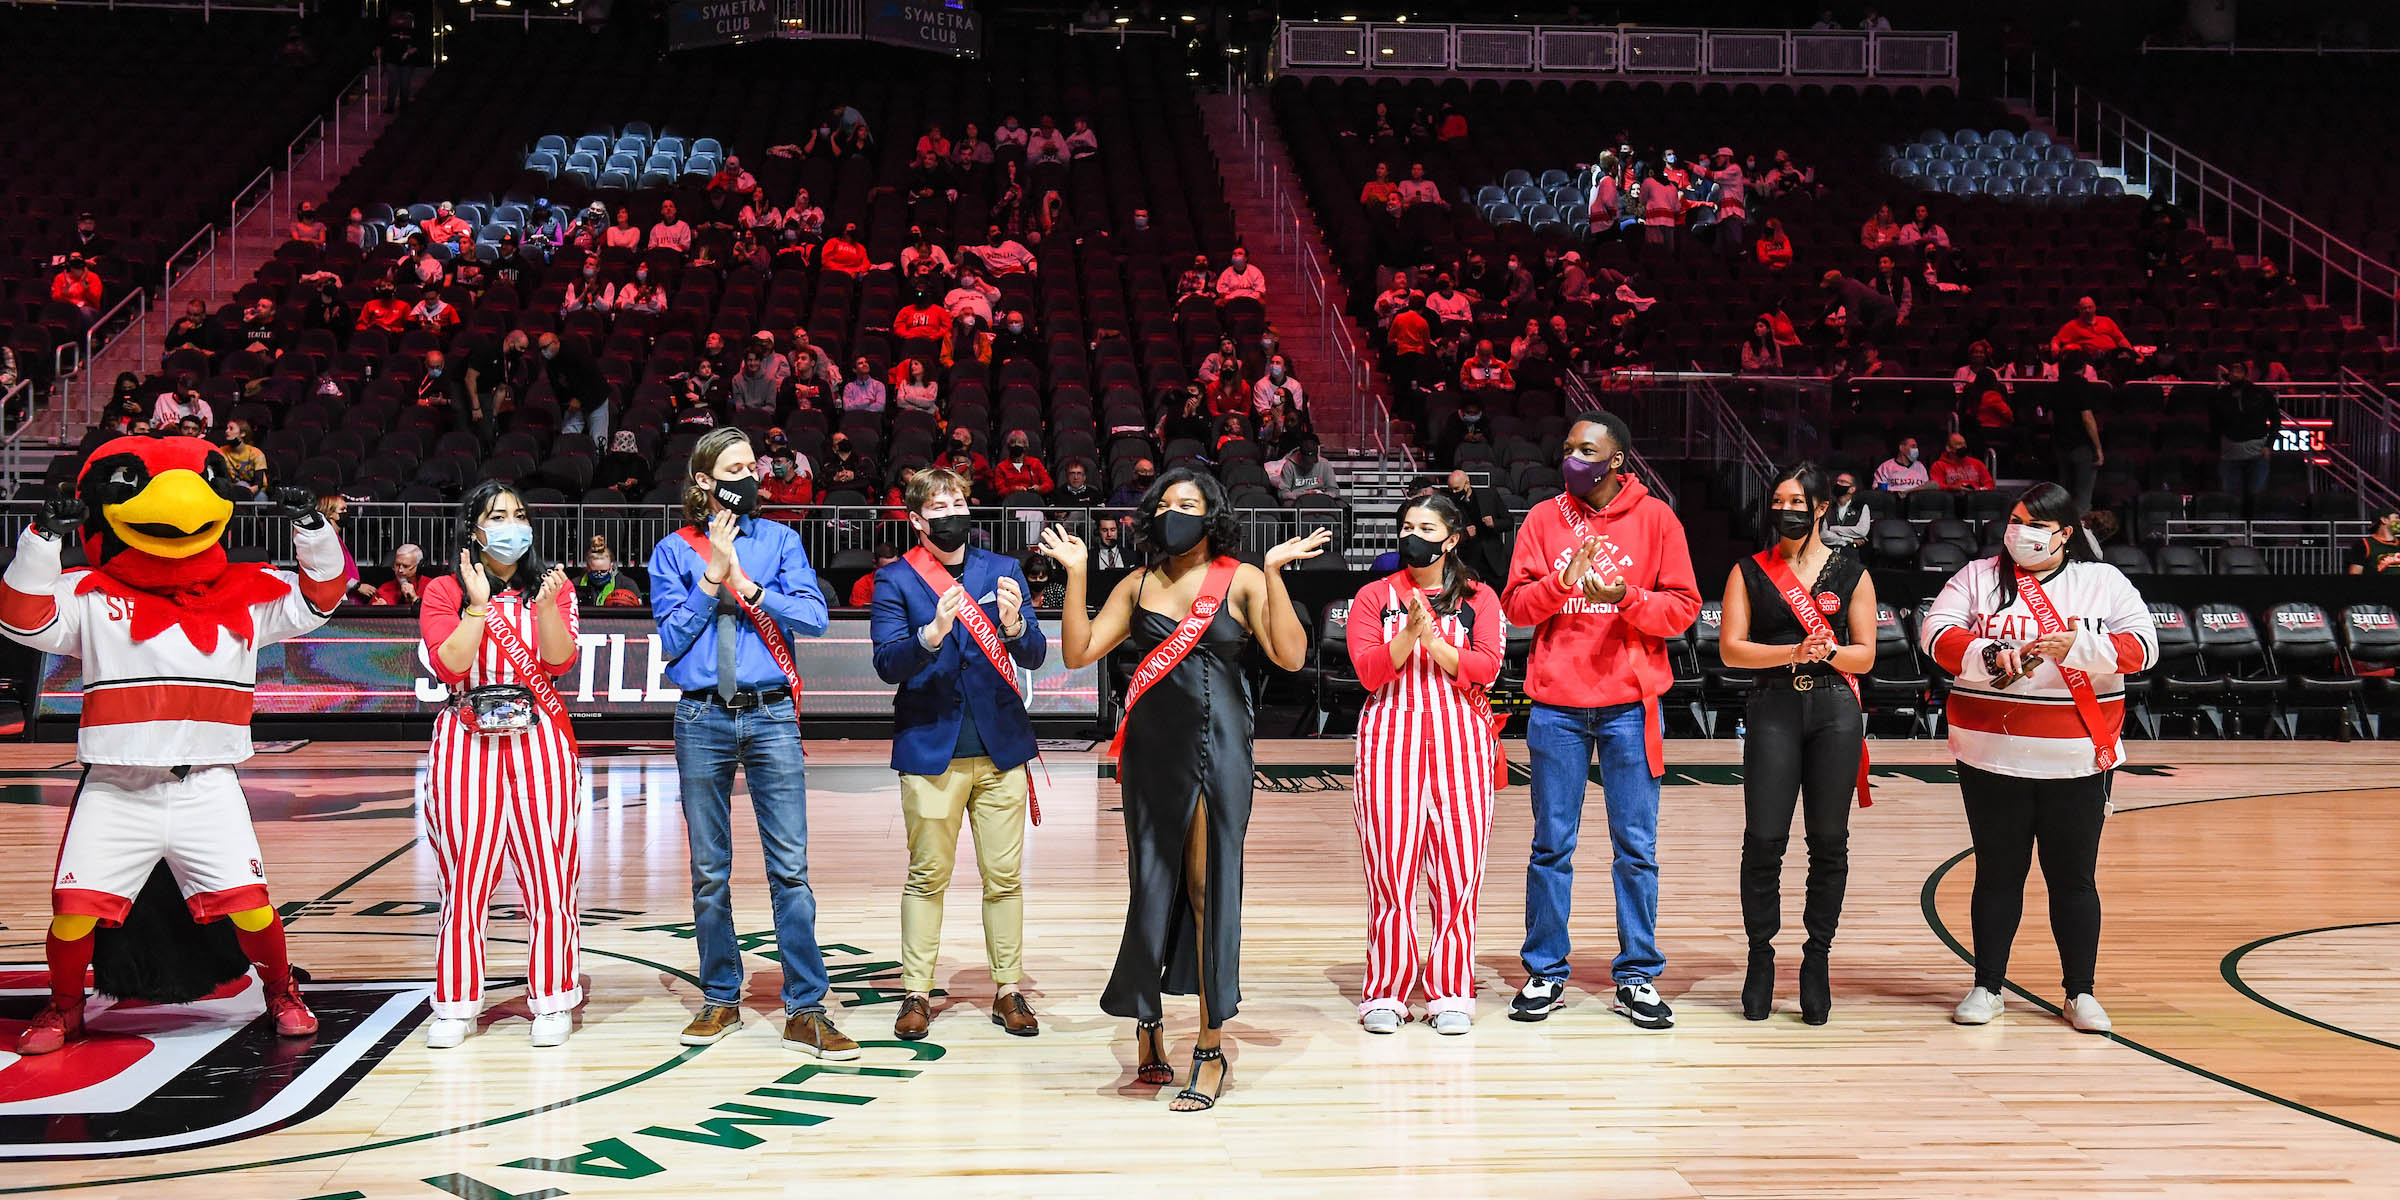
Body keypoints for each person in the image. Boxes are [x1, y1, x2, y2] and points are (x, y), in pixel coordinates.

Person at [0, 463, 343, 1056]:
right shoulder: (91, 593)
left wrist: (311, 527)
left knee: (253, 909)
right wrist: (41, 538)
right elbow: (21, 617)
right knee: (74, 914)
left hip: (206, 785)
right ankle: (64, 1006)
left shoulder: (250, 591)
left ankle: (281, 991)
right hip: (116, 785)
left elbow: (321, 598)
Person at [1036, 473, 1327, 1111]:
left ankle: (1211, 1047)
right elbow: (1081, 651)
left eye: (1187, 506)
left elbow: (1289, 656)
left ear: (1211, 516)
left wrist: (1275, 575)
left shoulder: (1241, 577)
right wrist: (1078, 573)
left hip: (1220, 750)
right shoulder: (1137, 584)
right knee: (1153, 885)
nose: (1174, 515)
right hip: (1150, 753)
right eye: (1164, 506)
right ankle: (1148, 1024)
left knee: (1208, 888)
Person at [1920, 483, 2156, 1033]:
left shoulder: (2103, 582)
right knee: (1997, 874)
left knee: (2073, 879)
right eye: (2015, 520)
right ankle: (1987, 986)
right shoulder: (1978, 577)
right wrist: (1989, 653)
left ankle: (2080, 992)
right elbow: (1936, 633)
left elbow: (2144, 647)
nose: (2019, 533)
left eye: (2034, 524)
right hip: (1989, 755)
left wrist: (2078, 646)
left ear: (2065, 533)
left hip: (2076, 758)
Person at [647, 429, 852, 1058]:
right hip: (701, 717)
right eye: (734, 468)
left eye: (752, 467)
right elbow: (672, 639)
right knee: (710, 871)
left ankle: (806, 1007)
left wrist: (751, 585)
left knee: (790, 869)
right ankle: (720, 997)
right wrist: (712, 580)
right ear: (705, 481)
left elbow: (815, 617)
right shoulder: (672, 551)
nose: (750, 477)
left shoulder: (781, 540)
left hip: (770, 716)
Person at [1501, 409, 1699, 1030]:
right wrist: (1562, 585)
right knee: (1550, 845)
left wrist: (1630, 599)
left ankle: (1636, 975)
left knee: (1636, 848)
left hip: (1627, 707)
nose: (1572, 459)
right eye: (1567, 448)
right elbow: (1516, 609)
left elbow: (1684, 608)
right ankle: (1546, 970)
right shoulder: (1543, 518)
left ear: (1617, 461)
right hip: (1557, 706)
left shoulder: (1657, 518)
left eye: (1586, 450)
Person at [871, 468, 1049, 1041]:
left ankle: (1008, 989)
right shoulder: (895, 580)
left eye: (960, 501)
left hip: (1001, 749)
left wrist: (1018, 622)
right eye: (941, 504)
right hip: (931, 749)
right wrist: (931, 634)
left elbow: (1037, 652)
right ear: (918, 519)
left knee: (1005, 877)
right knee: (927, 877)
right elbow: (886, 664)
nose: (954, 510)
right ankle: (916, 992)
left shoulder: (1003, 570)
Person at [415, 483, 583, 1048]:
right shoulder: (443, 591)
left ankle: (554, 999)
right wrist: (479, 604)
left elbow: (559, 661)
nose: (512, 525)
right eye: (498, 516)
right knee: (464, 877)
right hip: (466, 740)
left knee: (549, 875)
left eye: (519, 515)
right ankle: (457, 1004)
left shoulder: (554, 589)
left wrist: (543, 608)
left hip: (542, 739)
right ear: (473, 528)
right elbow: (451, 664)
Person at [1714, 463, 1876, 1025]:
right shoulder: (1749, 570)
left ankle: (1816, 958)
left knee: (1829, 840)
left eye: (1797, 502)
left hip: (1834, 708)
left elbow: (1865, 656)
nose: (1786, 510)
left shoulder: (1851, 570)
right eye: (1778, 500)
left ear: (1820, 509)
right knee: (1764, 838)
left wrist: (1824, 654)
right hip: (1773, 705)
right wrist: (1792, 654)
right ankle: (1761, 957)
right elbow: (1732, 650)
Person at [1345, 493, 1505, 1035]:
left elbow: (1486, 667)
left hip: (1461, 741)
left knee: (1459, 873)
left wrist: (1434, 641)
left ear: (1452, 538)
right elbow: (1368, 671)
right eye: (1408, 525)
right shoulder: (1374, 596)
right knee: (1390, 872)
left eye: (1427, 526)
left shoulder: (1480, 597)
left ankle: (1451, 992)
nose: (1414, 534)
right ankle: (1385, 992)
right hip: (1389, 741)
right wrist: (1409, 634)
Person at [2211, 359, 2281, 510]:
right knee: (2229, 498)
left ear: (2246, 374)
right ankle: (2233, 531)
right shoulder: (2220, 396)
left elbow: (2276, 420)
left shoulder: (2261, 394)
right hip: (2230, 451)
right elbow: (2214, 424)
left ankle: (2254, 530)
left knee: (2255, 496)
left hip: (2257, 451)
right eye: (2233, 370)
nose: (2236, 374)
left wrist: (2269, 445)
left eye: (2239, 370)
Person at [2051, 355, 2106, 515]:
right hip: (2081, 447)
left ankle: (2063, 535)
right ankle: (2078, 537)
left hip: (2060, 446)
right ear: (2082, 369)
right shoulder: (2083, 386)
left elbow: (2051, 417)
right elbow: (2087, 418)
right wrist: (2098, 449)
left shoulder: (2056, 387)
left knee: (2063, 495)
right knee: (2082, 498)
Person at [577, 538, 644, 606]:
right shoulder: (576, 584)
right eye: (594, 571)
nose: (599, 574)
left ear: (611, 565)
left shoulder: (627, 585)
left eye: (603, 571)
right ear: (588, 567)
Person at [1821, 470, 1871, 549]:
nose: (1838, 484)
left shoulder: (1861, 507)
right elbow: (1823, 534)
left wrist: (1833, 529)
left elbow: (1862, 531)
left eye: (1842, 482)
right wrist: (1849, 539)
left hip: (1851, 553)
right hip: (1829, 551)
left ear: (1852, 489)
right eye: (1837, 481)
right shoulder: (1827, 506)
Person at [1929, 434, 1995, 491]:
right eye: (1959, 444)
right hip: (1952, 499)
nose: (1963, 447)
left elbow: (1990, 484)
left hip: (1976, 498)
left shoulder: (1977, 463)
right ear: (1948, 448)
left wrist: (1978, 489)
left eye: (1964, 444)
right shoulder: (1938, 465)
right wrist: (1953, 488)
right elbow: (1937, 486)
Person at [2349, 507, 2400, 575]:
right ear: (2384, 520)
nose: (2399, 520)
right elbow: (2355, 573)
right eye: (2396, 518)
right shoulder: (2364, 544)